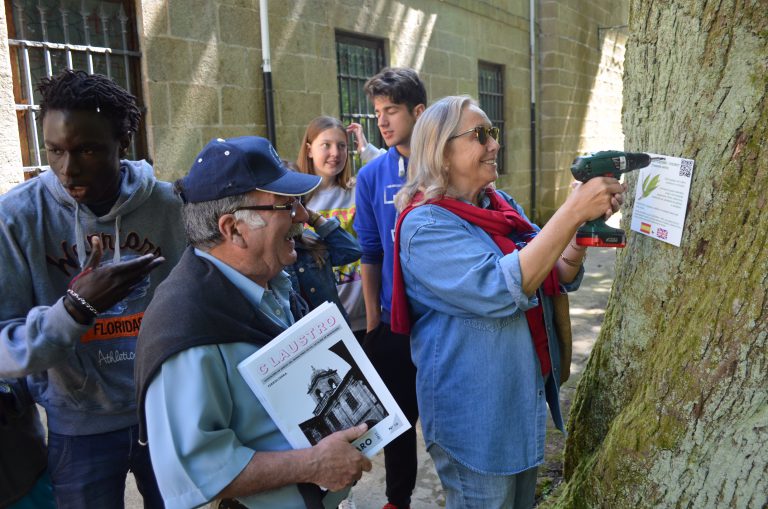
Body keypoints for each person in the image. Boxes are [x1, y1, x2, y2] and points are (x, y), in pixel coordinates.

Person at [390, 95, 625, 509]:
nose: (495, 144)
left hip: (518, 402)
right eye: (481, 135)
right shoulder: (424, 227)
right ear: (442, 153)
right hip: (475, 419)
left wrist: (581, 230)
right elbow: (501, 289)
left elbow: (555, 272)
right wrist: (570, 212)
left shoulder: (501, 207)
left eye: (493, 133)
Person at [134, 136, 372, 509]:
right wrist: (314, 464)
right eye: (286, 205)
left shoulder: (270, 279)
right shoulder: (186, 327)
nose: (300, 215)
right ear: (233, 229)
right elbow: (194, 473)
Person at [0, 69, 186, 507]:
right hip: (76, 424)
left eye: (87, 150)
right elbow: (5, 345)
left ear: (122, 144)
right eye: (55, 151)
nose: (69, 168)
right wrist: (75, 310)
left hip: (165, 415)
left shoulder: (169, 207)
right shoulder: (16, 218)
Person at [353, 67, 426, 509]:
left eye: (391, 110)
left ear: (418, 112)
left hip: (441, 318)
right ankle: (397, 500)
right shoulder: (372, 176)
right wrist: (373, 320)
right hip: (392, 322)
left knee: (441, 414)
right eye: (378, 112)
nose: (382, 121)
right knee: (396, 421)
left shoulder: (445, 166)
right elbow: (370, 251)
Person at [296, 116, 379, 340]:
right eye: (326, 145)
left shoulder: (357, 188)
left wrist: (365, 148)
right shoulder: (298, 200)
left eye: (341, 145)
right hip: (323, 325)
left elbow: (389, 172)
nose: (335, 153)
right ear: (309, 149)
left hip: (366, 317)